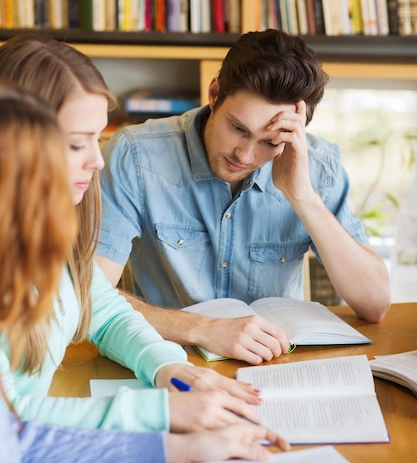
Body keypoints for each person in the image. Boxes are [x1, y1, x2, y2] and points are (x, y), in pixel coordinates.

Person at [0, 84, 289, 463]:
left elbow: (17, 442)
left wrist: (177, 438)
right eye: (78, 142)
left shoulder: (39, 238)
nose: (98, 161)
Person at [0, 33, 262, 433]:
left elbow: (102, 313)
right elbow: (8, 419)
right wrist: (161, 415)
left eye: (96, 139)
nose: (96, 162)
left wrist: (170, 369)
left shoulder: (42, 230)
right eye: (76, 144)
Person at [96, 28, 391, 365]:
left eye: (269, 142)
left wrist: (302, 196)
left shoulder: (318, 167)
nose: (245, 155)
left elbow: (375, 304)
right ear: (215, 93)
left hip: (277, 367)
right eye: (238, 128)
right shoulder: (135, 156)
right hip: (169, 361)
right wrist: (204, 329)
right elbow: (88, 297)